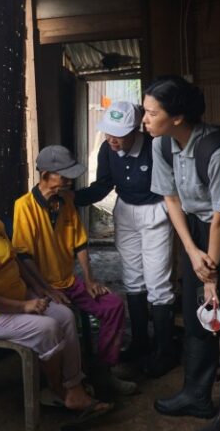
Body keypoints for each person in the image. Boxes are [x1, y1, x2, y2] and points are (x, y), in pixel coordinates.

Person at [142, 75, 220, 431]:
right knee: (198, 313)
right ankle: (196, 395)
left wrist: (211, 272)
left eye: (152, 113)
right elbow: (171, 199)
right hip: (194, 230)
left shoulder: (219, 153)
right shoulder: (162, 145)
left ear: (177, 117)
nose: (144, 120)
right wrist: (193, 253)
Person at [0, 175, 113, 421]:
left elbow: (14, 261)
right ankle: (57, 389)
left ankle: (73, 386)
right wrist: (24, 306)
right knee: (48, 327)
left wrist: (40, 288)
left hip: (19, 297)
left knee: (65, 315)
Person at [12, 145, 137, 395]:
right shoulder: (24, 206)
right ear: (46, 175)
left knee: (113, 305)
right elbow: (23, 257)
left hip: (68, 282)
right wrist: (46, 290)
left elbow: (79, 243)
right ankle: (68, 383)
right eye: (64, 175)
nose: (70, 180)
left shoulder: (66, 200)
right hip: (39, 286)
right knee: (62, 318)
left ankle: (103, 370)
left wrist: (89, 280)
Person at [75, 101, 175, 377]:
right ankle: (141, 343)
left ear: (135, 130)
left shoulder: (155, 147)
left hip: (155, 213)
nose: (111, 139)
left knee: (158, 282)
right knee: (132, 278)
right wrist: (73, 198)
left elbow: (172, 185)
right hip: (126, 213)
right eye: (109, 132)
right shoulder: (107, 150)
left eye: (118, 134)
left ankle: (165, 353)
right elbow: (103, 185)